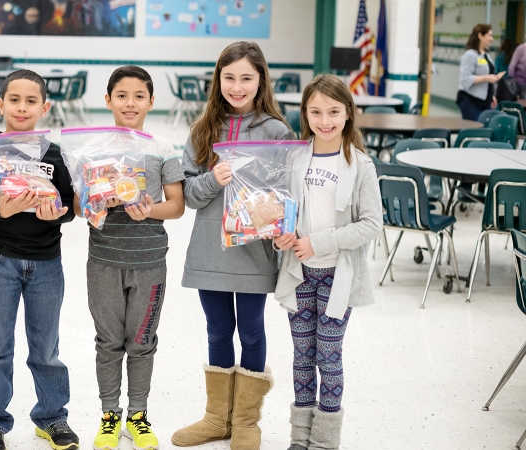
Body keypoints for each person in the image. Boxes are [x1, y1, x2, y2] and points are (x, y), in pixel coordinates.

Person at [172, 41, 294, 450]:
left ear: (261, 80)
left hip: (255, 251)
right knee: (218, 330)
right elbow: (188, 194)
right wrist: (214, 179)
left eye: (246, 77)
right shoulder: (202, 128)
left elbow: (286, 194)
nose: (237, 86)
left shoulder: (278, 131)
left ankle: (246, 423)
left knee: (253, 331)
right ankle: (216, 420)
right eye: (229, 78)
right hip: (211, 250)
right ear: (218, 79)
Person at [0, 70, 77, 450]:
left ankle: (52, 418)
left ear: (45, 107)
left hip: (46, 263)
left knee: (46, 348)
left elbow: (70, 208)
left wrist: (58, 213)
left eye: (31, 101)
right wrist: (0, 212)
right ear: (1, 104)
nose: (22, 107)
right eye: (14, 100)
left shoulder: (55, 155)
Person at [272, 74, 382, 450]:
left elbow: (371, 224)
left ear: (348, 113)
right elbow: (286, 213)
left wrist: (316, 243)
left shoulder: (361, 165)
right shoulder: (296, 157)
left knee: (328, 357)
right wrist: (283, 236)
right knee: (301, 356)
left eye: (334, 111)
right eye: (316, 111)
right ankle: (299, 438)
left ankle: (324, 442)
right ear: (305, 113)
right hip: (299, 274)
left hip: (338, 276)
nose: (325, 120)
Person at [79, 65, 184, 450]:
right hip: (104, 260)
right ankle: (109, 415)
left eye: (139, 96)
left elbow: (176, 206)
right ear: (108, 100)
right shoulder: (93, 150)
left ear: (151, 102)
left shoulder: (163, 149)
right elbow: (78, 205)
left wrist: (149, 210)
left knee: (141, 341)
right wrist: (96, 204)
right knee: (108, 342)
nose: (130, 103)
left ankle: (137, 414)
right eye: (121, 95)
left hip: (150, 261)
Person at [458, 23, 502, 120]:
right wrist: (486, 78)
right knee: (473, 131)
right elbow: (465, 79)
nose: (492, 38)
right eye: (489, 35)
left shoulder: (486, 55)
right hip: (471, 100)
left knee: (484, 131)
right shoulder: (470, 55)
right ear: (480, 35)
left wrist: (491, 96)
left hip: (485, 101)